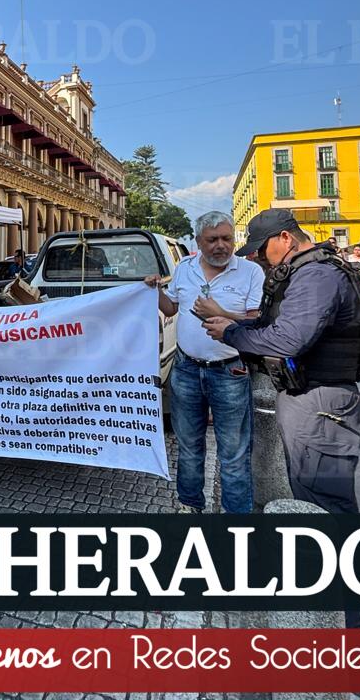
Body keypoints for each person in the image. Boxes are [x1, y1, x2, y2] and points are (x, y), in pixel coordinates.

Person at [202, 208, 360, 519]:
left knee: (324, 498)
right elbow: (274, 326)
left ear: (286, 237)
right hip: (312, 396)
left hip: (321, 398)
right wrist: (238, 327)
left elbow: (288, 339)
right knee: (309, 490)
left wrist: (231, 333)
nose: (259, 257)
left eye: (263, 248)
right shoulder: (309, 271)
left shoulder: (316, 275)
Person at [144, 211, 264, 514]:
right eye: (213, 240)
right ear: (199, 242)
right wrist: (154, 290)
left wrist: (219, 311)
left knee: (234, 453)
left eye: (227, 238)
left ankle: (236, 517)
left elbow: (258, 321)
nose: (221, 245)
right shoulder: (184, 268)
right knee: (188, 446)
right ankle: (190, 504)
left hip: (230, 370)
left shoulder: (250, 272)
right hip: (186, 369)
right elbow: (171, 308)